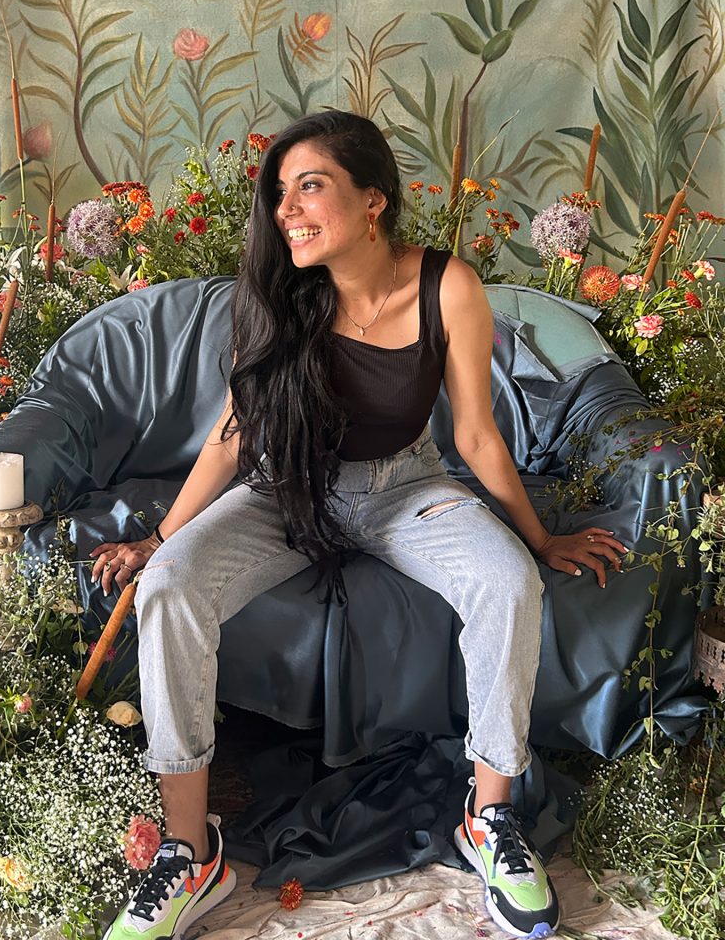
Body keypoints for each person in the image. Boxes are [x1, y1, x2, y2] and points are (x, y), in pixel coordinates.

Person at [92, 111, 625, 940]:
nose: (287, 210)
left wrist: (539, 539)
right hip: (287, 488)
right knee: (170, 585)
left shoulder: (447, 286)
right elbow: (233, 435)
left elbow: (477, 435)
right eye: (280, 193)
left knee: (508, 581)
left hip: (406, 486)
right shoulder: (276, 292)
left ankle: (489, 819)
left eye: (310, 187)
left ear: (373, 199)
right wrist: (160, 541)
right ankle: (190, 850)